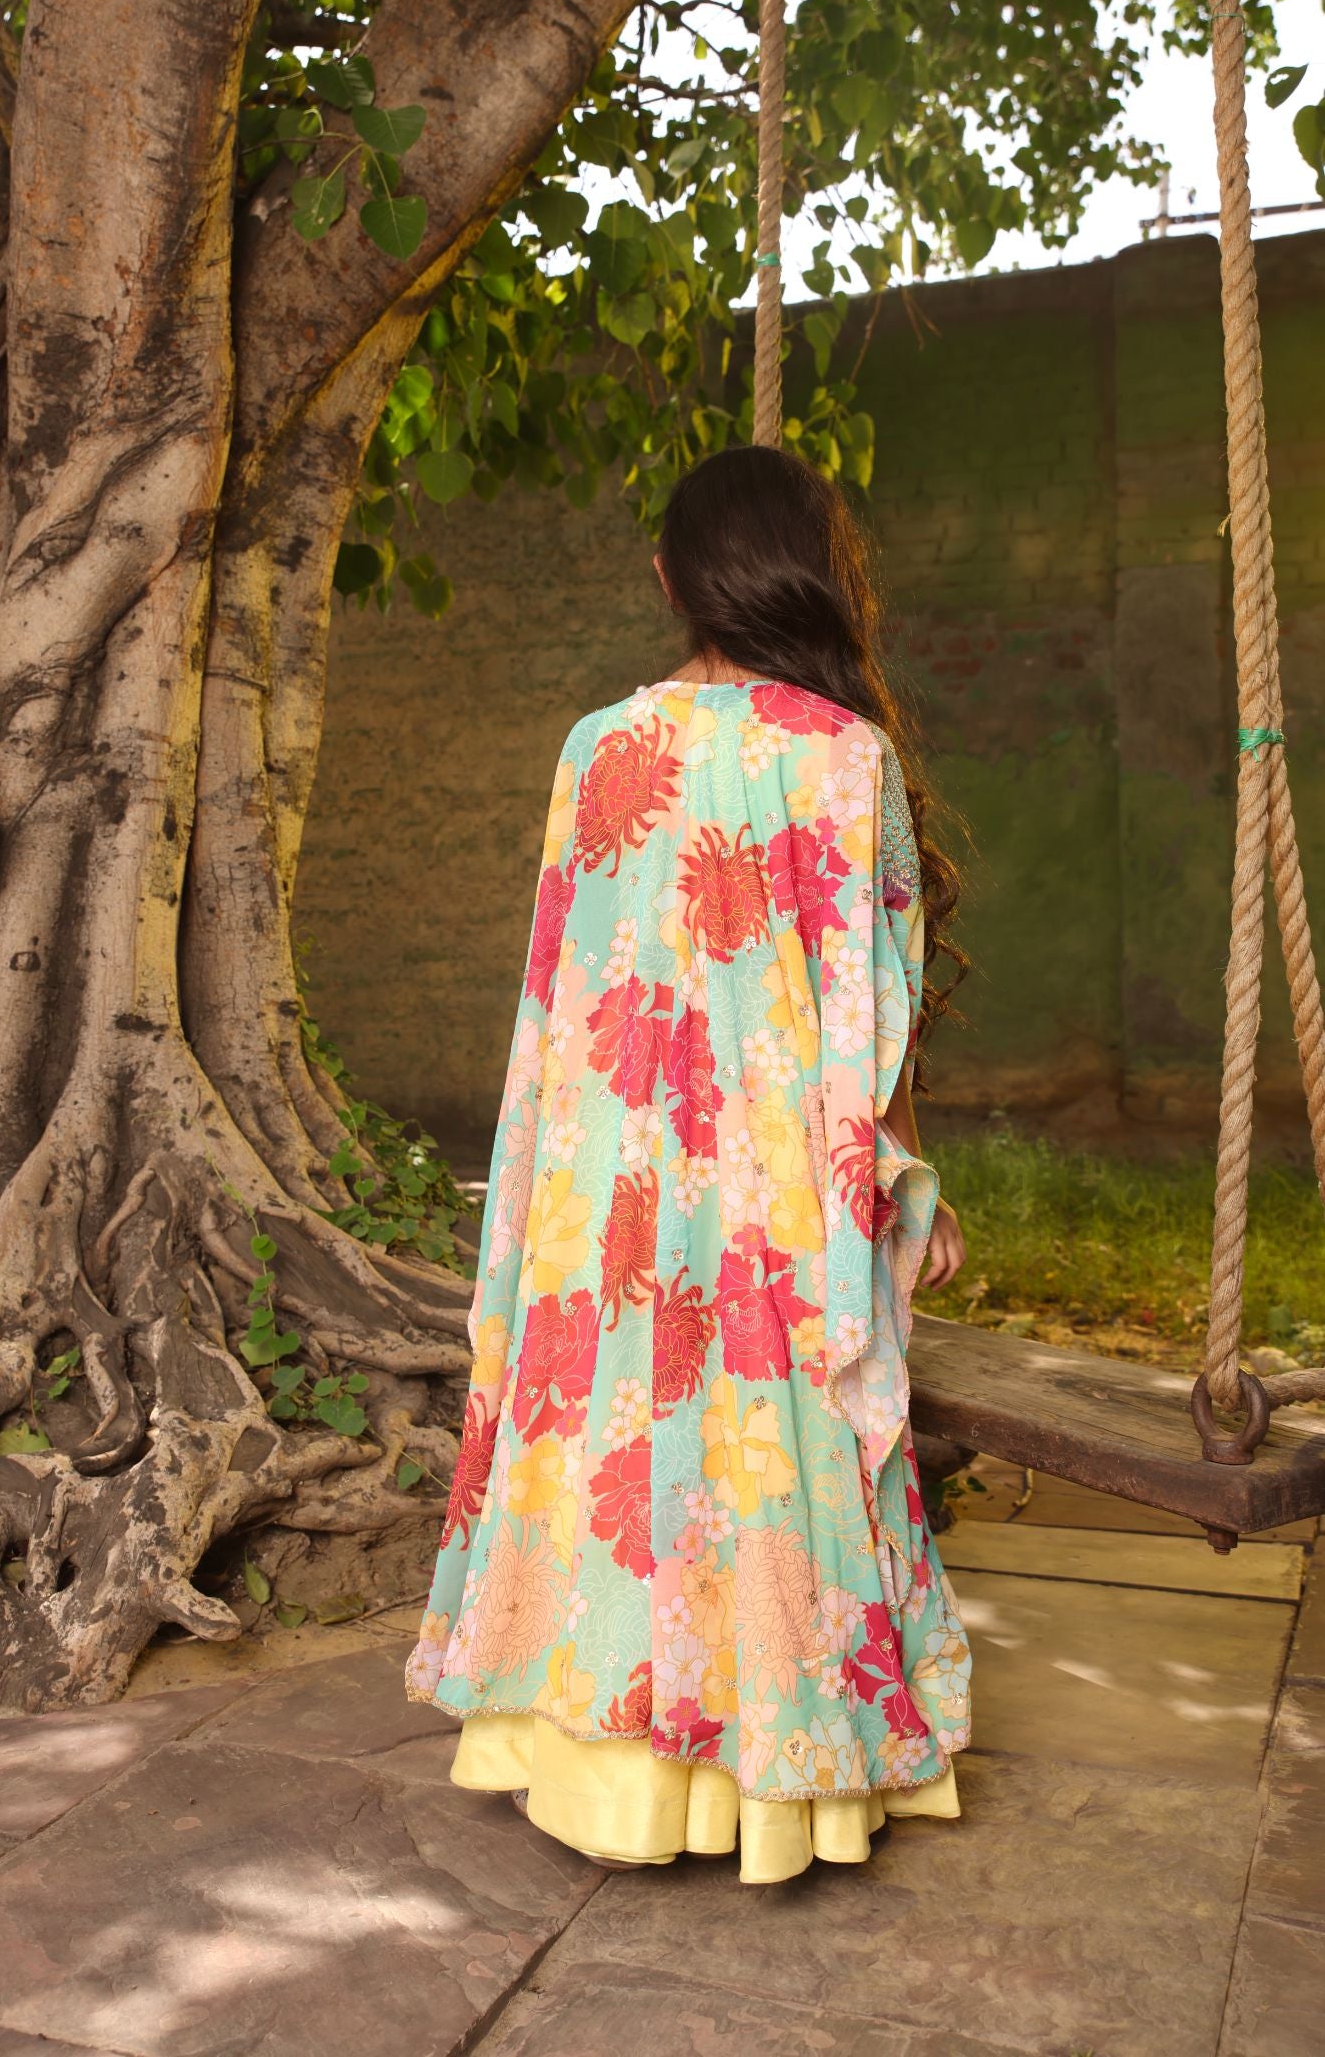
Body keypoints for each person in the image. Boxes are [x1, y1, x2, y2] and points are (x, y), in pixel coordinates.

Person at [406, 444, 973, 1883]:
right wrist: (904, 1171)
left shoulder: (597, 748)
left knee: (610, 1444)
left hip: (607, 1179)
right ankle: (783, 1786)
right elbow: (875, 995)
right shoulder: (846, 761)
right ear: (810, 577)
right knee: (766, 1454)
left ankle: (590, 1764)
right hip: (774, 1187)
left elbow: (557, 987)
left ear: (671, 581)